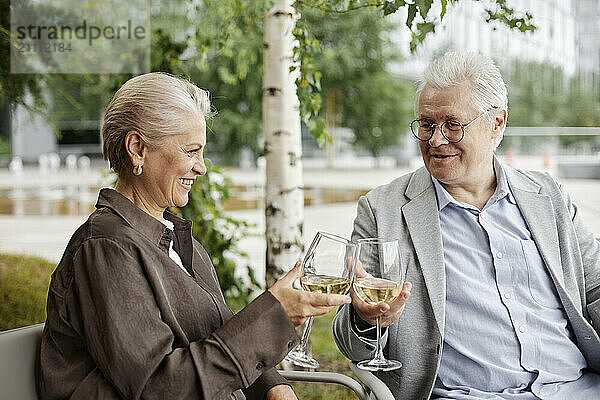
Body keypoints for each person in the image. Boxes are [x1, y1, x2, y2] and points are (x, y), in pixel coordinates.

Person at [38, 72, 352, 400]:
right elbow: (158, 387)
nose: (201, 167)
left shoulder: (181, 243)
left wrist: (273, 386)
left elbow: (218, 331)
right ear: (137, 149)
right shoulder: (106, 248)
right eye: (191, 151)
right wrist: (275, 316)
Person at [333, 51, 600, 399]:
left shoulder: (547, 197)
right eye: (426, 124)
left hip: (577, 389)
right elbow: (348, 335)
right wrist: (366, 319)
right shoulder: (382, 209)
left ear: (497, 123)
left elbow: (595, 288)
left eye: (452, 124)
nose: (435, 139)